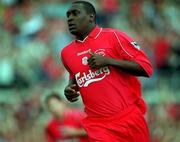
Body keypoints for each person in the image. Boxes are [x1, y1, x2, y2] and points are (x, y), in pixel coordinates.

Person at [61, 1, 153, 142]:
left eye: (75, 14)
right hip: (98, 126)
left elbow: (146, 68)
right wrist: (70, 89)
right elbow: (75, 76)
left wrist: (109, 61)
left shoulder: (113, 36)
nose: (70, 18)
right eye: (68, 15)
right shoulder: (66, 53)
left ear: (91, 17)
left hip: (128, 118)